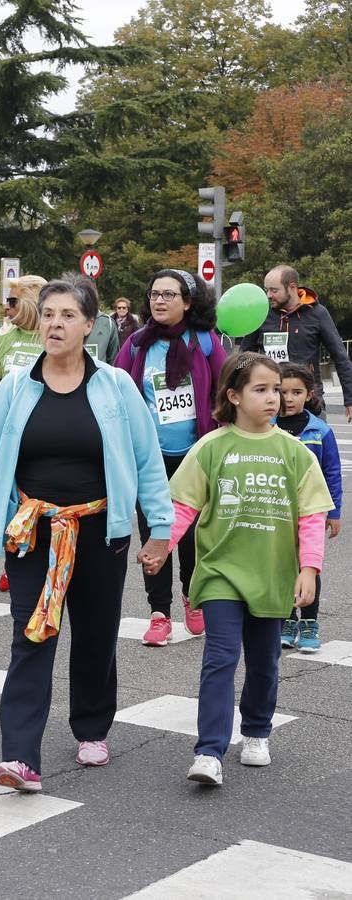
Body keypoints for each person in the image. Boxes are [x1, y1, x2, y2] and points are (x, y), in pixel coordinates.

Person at [0, 275, 173, 793]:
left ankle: (91, 727)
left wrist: (160, 529)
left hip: (99, 532)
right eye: (48, 314)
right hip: (33, 532)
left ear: (90, 325)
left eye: (68, 315)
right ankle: (19, 755)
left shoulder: (116, 386)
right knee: (31, 636)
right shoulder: (18, 387)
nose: (56, 324)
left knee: (93, 634)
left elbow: (147, 462)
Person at [142, 353, 332, 786]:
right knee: (220, 658)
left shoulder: (295, 452)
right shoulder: (211, 447)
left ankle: (257, 731)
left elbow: (311, 518)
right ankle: (209, 751)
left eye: (277, 391)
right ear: (233, 395)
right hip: (220, 572)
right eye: (261, 390)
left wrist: (309, 569)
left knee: (265, 662)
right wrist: (160, 547)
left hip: (271, 574)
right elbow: (183, 506)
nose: (273, 399)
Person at [113, 269, 228, 645]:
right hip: (149, 457)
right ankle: (158, 612)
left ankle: (193, 599)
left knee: (193, 536)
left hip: (195, 455)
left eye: (168, 295)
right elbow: (114, 390)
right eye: (154, 294)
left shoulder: (206, 342)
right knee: (153, 533)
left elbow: (227, 391)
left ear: (188, 302)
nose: (159, 301)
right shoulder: (136, 343)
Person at [0, 275, 46, 593]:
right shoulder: (1, 343)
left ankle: (47, 564)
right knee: (11, 505)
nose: (6, 308)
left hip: (49, 439)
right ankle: (14, 562)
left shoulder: (53, 336)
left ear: (31, 301)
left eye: (13, 301)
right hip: (11, 440)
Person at [275, 362, 341, 653]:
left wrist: (334, 512)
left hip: (309, 514)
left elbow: (332, 472)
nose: (288, 398)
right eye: (282, 391)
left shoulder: (320, 430)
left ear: (309, 394)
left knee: (309, 567)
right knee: (280, 567)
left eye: (296, 392)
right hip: (275, 511)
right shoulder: (267, 427)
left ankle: (309, 622)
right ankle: (287, 620)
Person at [241, 266, 352, 421]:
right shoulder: (261, 313)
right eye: (266, 290)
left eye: (274, 290)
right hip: (271, 403)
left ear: (292, 287)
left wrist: (349, 398)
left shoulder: (318, 313)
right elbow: (244, 356)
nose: (268, 295)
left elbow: (340, 357)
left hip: (309, 404)